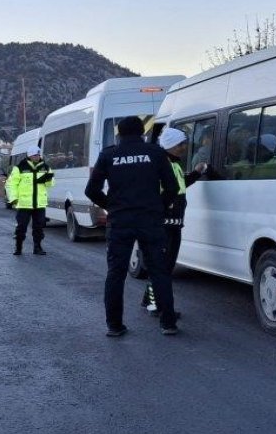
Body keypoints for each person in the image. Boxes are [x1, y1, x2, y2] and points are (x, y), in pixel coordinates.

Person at [84, 116, 180, 337]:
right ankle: (168, 323)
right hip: (151, 221)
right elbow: (172, 188)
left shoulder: (109, 155)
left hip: (120, 222)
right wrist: (159, 207)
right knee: (159, 272)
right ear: (142, 132)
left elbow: (91, 190)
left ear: (119, 134)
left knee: (116, 274)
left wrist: (112, 206)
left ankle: (114, 326)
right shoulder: (155, 153)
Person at [142, 127, 209, 314]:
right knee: (163, 267)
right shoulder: (161, 164)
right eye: (181, 144)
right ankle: (156, 305)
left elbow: (180, 185)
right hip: (165, 224)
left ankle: (149, 299)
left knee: (163, 265)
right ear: (171, 145)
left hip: (174, 223)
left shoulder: (174, 164)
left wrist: (196, 173)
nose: (185, 147)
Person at [5, 146, 53, 255]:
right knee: (21, 226)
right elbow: (11, 184)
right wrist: (13, 198)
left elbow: (50, 184)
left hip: (39, 204)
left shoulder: (45, 167)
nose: (37, 157)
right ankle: (18, 247)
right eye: (35, 155)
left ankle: (38, 247)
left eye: (38, 155)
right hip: (24, 204)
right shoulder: (20, 168)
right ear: (30, 155)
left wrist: (48, 178)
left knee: (39, 227)